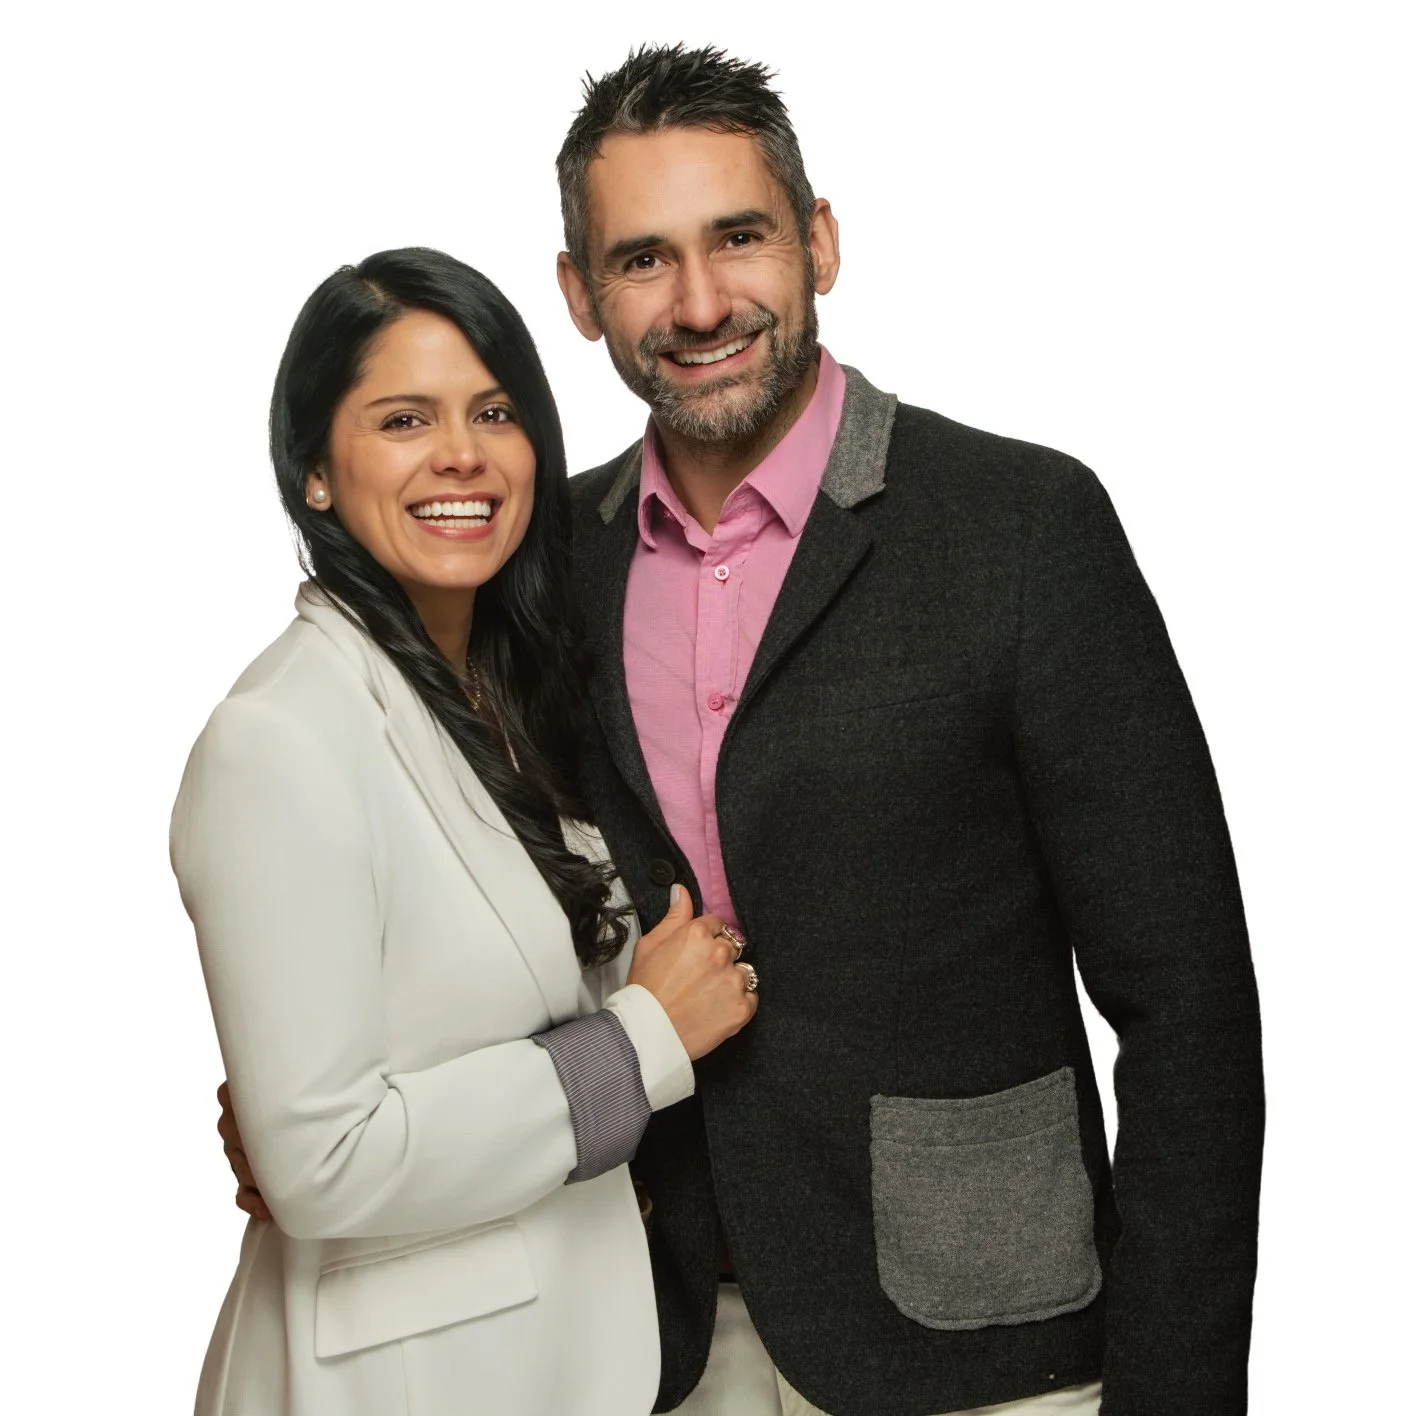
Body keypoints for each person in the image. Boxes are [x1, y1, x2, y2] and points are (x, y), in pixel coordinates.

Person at [220, 46, 1264, 1416]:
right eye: (644, 259)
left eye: (740, 238)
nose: (701, 302)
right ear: (580, 297)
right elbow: (475, 890)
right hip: (645, 1339)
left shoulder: (1020, 528)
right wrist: (324, 1099)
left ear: (819, 242)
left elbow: (1189, 1009)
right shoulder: (543, 571)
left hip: (988, 1347)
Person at [172, 246, 757, 1416]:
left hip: (552, 1358)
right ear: (315, 472)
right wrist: (643, 1040)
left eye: (494, 411)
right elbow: (326, 1162)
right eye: (402, 418)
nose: (461, 454)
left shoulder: (502, 696)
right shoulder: (279, 740)